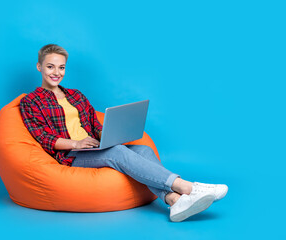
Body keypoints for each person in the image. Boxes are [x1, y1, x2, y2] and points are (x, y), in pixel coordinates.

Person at [20, 44, 228, 222]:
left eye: (61, 67)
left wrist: (111, 134)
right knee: (117, 153)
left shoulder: (75, 95)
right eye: (50, 67)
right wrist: (76, 144)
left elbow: (94, 123)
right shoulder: (31, 101)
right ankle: (188, 188)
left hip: (92, 146)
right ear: (39, 67)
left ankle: (174, 201)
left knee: (144, 150)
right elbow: (44, 139)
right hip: (70, 155)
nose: (56, 72)